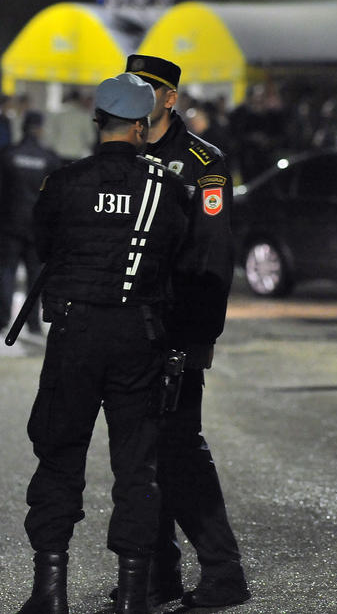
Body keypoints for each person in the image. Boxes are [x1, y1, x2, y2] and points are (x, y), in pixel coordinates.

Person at [16, 73, 189, 614]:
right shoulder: (166, 188)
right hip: (139, 335)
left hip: (75, 332)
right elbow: (180, 258)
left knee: (59, 454)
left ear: (99, 123)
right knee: (137, 465)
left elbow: (43, 245)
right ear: (141, 126)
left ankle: (50, 592)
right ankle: (133, 596)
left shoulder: (64, 183)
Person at [125, 54, 251, 609]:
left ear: (170, 98)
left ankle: (224, 572)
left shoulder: (203, 162)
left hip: (176, 326)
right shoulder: (122, 149)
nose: (137, 96)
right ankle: (160, 575)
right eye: (130, 85)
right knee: (140, 454)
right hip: (130, 325)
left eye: (148, 88)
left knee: (178, 449)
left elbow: (212, 255)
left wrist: (197, 337)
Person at [0, 111, 60, 334]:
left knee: (7, 272)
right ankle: (33, 323)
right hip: (37, 227)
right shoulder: (49, 158)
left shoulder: (8, 154)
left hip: (10, 223)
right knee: (34, 277)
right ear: (39, 129)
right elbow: (56, 197)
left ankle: (2, 320)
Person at [46, 89, 96, 163]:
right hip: (77, 154)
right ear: (79, 100)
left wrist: (53, 146)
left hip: (57, 153)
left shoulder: (56, 114)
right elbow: (90, 138)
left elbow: (49, 134)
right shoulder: (84, 115)